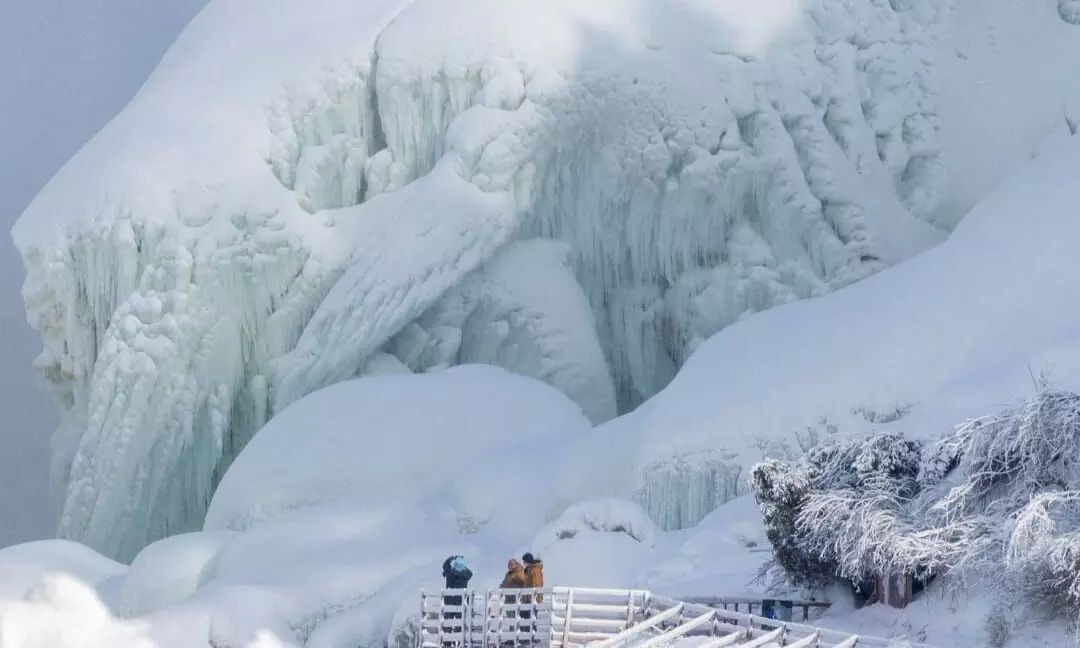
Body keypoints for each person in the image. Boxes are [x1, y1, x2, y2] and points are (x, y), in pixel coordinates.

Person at [441, 555, 473, 646]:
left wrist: (453, 557)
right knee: (460, 624)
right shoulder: (466, 575)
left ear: (455, 565)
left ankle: (447, 644)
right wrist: (462, 566)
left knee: (448, 624)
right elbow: (470, 572)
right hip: (460, 602)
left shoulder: (449, 573)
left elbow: (445, 565)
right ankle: (459, 643)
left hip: (449, 601)